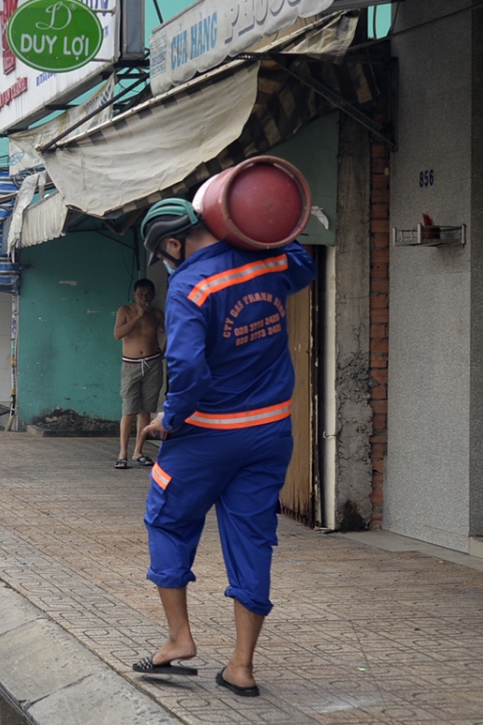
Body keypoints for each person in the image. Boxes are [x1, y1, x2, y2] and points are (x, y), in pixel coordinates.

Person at [130, 198, 315, 697]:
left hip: (207, 435)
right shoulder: (266, 258)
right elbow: (303, 264)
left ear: (172, 243)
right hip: (270, 435)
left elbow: (187, 368)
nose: (167, 264)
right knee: (253, 539)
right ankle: (242, 666)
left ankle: (178, 639)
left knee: (167, 517)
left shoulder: (190, 284)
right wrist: (256, 226)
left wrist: (171, 416)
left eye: (163, 254)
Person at [113, 278, 164, 469]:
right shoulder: (125, 311)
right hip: (131, 365)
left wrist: (164, 351)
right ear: (135, 295)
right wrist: (138, 317)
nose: (145, 298)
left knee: (146, 410)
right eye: (141, 294)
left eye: (148, 294)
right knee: (129, 410)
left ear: (153, 295)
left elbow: (172, 331)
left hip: (152, 364)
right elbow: (118, 334)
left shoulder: (157, 314)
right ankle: (122, 453)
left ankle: (138, 452)